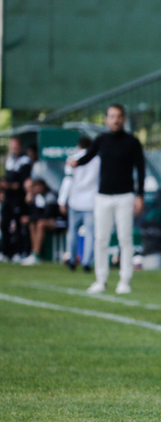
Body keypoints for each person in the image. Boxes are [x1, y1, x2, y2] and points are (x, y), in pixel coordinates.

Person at [69, 104, 145, 295]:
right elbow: (88, 156)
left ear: (124, 119)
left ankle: (124, 280)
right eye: (112, 116)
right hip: (103, 196)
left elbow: (141, 170)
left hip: (125, 196)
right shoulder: (101, 140)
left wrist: (140, 196)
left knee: (124, 239)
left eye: (119, 116)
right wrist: (76, 162)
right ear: (106, 119)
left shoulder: (132, 142)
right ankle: (100, 280)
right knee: (101, 238)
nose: (115, 120)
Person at [57, 136, 100, 272]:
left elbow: (68, 180)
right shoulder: (97, 160)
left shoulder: (73, 159)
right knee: (90, 233)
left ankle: (72, 259)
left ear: (79, 146)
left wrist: (62, 200)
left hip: (75, 201)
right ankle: (87, 262)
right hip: (91, 201)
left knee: (73, 232)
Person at [1, 136, 33, 263]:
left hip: (18, 200)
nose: (14, 149)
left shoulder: (25, 162)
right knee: (5, 225)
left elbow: (22, 184)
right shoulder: (9, 161)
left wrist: (7, 185)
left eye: (16, 147)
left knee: (19, 226)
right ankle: (5, 252)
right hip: (8, 199)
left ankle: (19, 252)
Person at [20, 179, 63, 265]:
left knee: (40, 224)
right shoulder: (38, 198)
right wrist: (30, 202)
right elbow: (35, 214)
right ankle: (33, 252)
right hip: (46, 221)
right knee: (32, 224)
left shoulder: (50, 196)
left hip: (59, 222)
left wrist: (31, 218)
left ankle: (36, 254)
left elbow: (47, 215)